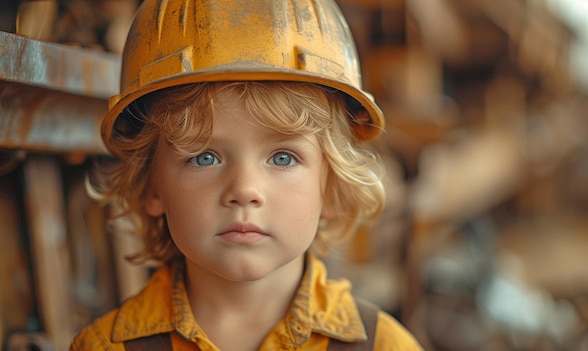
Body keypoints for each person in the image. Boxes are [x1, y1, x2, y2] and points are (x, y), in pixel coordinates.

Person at [70, 0, 423, 350]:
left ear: (329, 186)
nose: (245, 190)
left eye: (283, 158)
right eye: (204, 157)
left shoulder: (385, 346)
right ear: (152, 185)